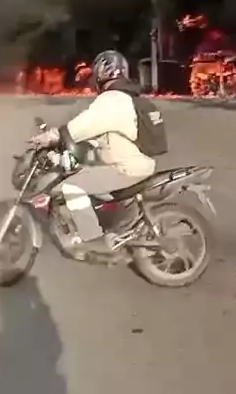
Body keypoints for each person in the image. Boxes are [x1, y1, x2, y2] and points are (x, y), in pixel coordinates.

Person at [30, 50, 167, 251]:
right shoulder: (128, 98)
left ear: (103, 72)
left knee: (72, 186)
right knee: (87, 174)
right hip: (138, 163)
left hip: (126, 168)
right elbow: (104, 133)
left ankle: (92, 237)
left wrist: (50, 137)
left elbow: (80, 127)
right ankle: (107, 224)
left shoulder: (112, 99)